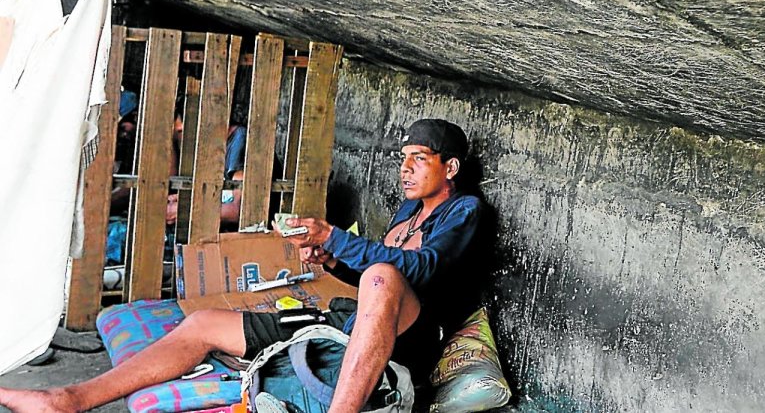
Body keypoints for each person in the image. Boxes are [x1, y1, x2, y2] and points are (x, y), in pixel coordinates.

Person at [0, 118, 488, 413]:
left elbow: (416, 272)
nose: (405, 167)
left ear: (450, 168)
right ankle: (70, 399)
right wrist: (331, 258)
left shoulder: (464, 209)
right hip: (353, 321)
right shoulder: (408, 210)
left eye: (419, 158)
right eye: (403, 157)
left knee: (382, 274)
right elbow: (370, 283)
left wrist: (336, 236)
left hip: (414, 337)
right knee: (203, 323)